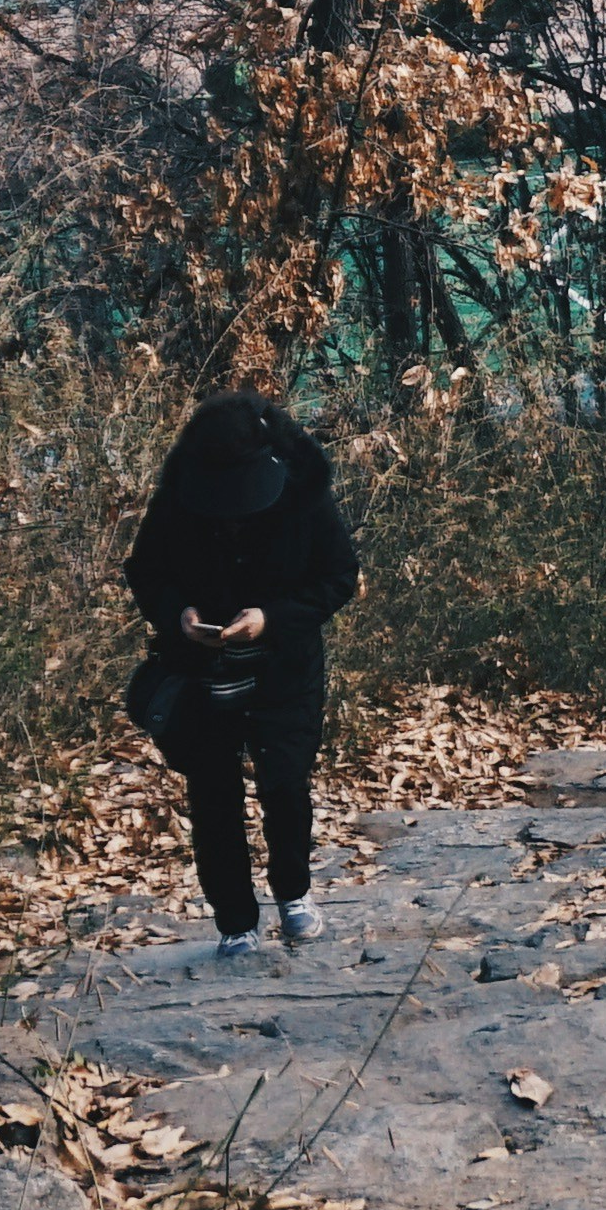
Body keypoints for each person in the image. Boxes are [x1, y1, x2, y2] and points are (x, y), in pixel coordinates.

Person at [122, 388, 360, 962]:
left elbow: (338, 577)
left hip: (285, 666)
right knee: (212, 795)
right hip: (200, 671)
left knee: (285, 782)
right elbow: (145, 571)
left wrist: (271, 619)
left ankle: (294, 894)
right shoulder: (179, 496)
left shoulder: (303, 492)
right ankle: (234, 920)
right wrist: (179, 614)